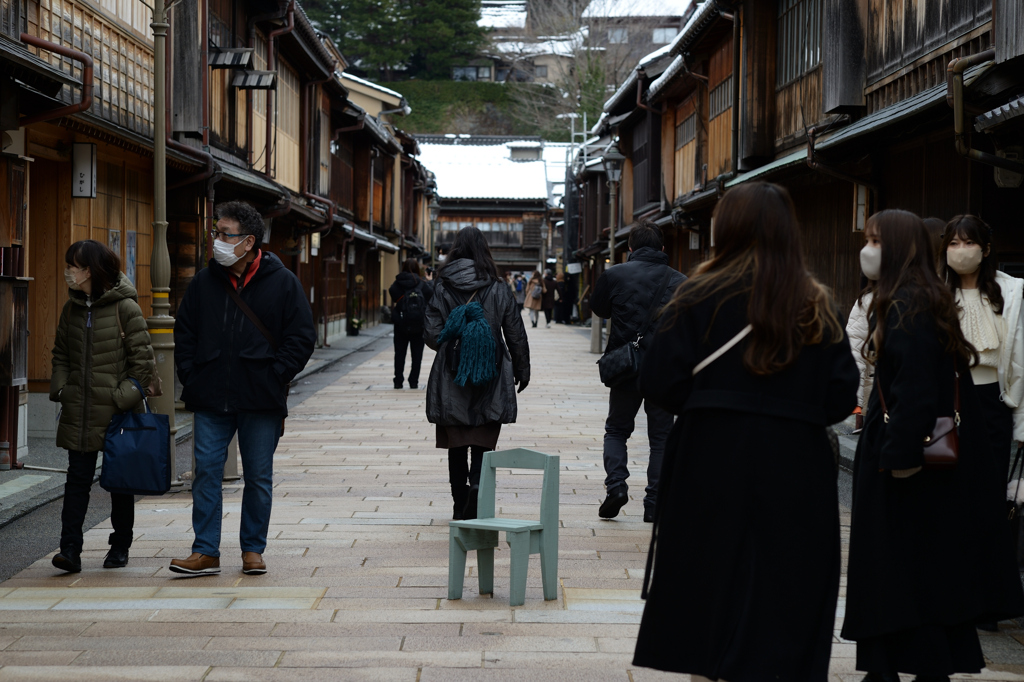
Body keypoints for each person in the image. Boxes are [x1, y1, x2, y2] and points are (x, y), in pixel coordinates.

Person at [632, 182, 860, 680]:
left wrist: (709, 401)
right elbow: (843, 393)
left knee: (708, 575)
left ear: (727, 228)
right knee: (788, 581)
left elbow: (659, 379)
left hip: (710, 452)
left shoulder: (696, 294)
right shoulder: (815, 304)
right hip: (796, 458)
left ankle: (706, 667)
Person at [842, 209, 1024, 680]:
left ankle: (901, 666)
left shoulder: (909, 305)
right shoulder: (917, 299)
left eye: (876, 241)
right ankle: (900, 665)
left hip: (907, 464)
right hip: (921, 459)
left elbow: (918, 390)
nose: (868, 250)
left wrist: (898, 459)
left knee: (899, 569)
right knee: (917, 571)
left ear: (899, 248)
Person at [171, 201, 316, 576]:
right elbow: (184, 332)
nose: (217, 240)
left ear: (248, 241)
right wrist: (192, 374)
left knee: (258, 476)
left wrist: (276, 374)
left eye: (224, 234)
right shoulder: (205, 281)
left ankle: (253, 549)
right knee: (206, 472)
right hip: (211, 393)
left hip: (260, 396)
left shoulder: (283, 282)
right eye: (215, 233)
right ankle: (205, 550)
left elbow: (301, 338)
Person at [49, 240, 156, 573]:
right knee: (77, 480)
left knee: (120, 482)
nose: (69, 272)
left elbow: (144, 364)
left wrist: (117, 398)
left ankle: (120, 545)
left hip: (117, 413)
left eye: (74, 266)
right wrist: (63, 389)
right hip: (79, 410)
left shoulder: (126, 308)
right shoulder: (72, 308)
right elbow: (61, 355)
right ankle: (70, 549)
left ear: (91, 270)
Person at [939, 215, 1024, 632]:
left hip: (992, 403)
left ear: (987, 249)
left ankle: (986, 603)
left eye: (968, 242)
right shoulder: (935, 291)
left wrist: (1023, 427)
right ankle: (949, 596)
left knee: (988, 503)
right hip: (948, 399)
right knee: (949, 499)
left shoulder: (1011, 292)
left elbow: (1022, 363)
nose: (961, 249)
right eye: (953, 242)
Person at [424, 227, 531, 520]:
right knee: (483, 438)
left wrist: (458, 335)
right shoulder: (498, 287)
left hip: (451, 373)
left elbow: (432, 335)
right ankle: (478, 486)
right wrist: (522, 368)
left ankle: (460, 505)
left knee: (456, 442)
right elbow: (515, 332)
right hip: (491, 372)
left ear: (455, 250)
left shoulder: (442, 287)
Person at [590, 221, 685, 522]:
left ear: (629, 247)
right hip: (664, 369)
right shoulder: (679, 280)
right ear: (662, 248)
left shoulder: (614, 274)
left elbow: (600, 309)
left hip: (626, 366)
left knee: (617, 430)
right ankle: (655, 503)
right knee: (661, 437)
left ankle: (616, 486)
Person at [848, 222, 881, 432]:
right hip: (875, 398)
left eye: (876, 241)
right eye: (867, 241)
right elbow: (854, 350)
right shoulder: (867, 300)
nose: (868, 249)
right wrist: (857, 402)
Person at [389, 259, 433, 389]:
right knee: (417, 355)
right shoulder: (421, 284)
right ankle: (414, 381)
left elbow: (392, 294)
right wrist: (429, 281)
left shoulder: (398, 283)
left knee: (399, 353)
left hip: (401, 323)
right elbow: (431, 295)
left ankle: (398, 381)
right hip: (418, 325)